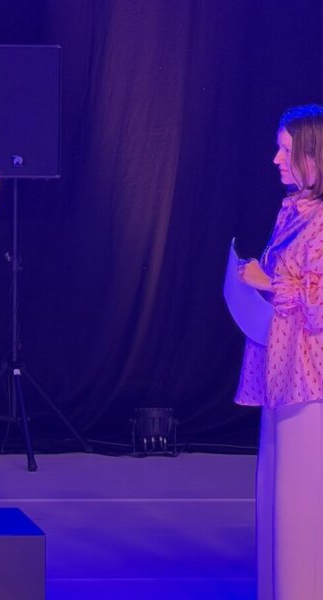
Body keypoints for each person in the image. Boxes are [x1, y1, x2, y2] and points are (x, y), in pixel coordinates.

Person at [236, 104, 323, 600]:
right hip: (281, 369)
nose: (276, 159)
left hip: (311, 381)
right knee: (277, 497)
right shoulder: (293, 209)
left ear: (314, 155)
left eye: (286, 150)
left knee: (301, 501)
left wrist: (270, 284)